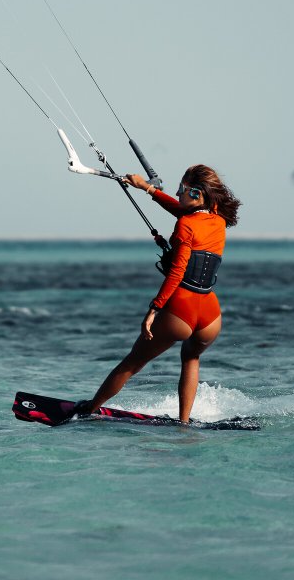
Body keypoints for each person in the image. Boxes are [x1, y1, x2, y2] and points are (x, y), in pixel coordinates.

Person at [76, 165, 241, 423]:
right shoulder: (218, 220)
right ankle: (184, 422)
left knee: (133, 362)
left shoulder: (186, 226)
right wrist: (147, 188)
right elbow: (183, 211)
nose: (177, 195)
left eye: (181, 190)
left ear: (197, 194)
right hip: (210, 314)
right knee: (191, 357)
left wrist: (154, 309)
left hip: (182, 309)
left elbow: (177, 273)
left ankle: (89, 409)